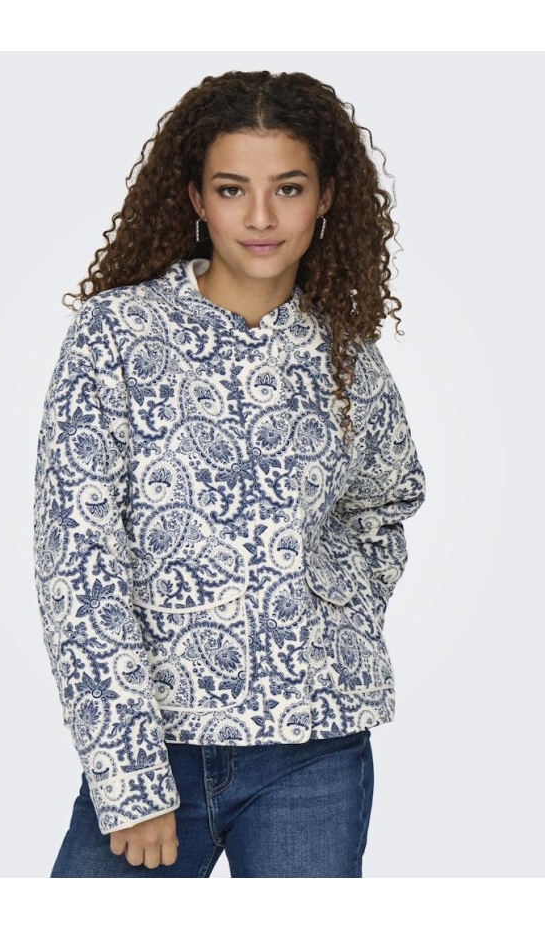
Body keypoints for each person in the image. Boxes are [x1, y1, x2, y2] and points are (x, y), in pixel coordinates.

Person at [32, 69, 426, 878]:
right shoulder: (118, 334)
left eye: (288, 188)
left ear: (325, 199)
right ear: (195, 198)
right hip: (159, 743)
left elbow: (387, 499)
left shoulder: (346, 354)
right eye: (232, 188)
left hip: (314, 751)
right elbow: (79, 561)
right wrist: (129, 775)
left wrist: (326, 614)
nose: (260, 217)